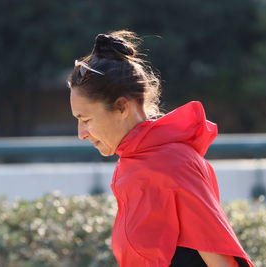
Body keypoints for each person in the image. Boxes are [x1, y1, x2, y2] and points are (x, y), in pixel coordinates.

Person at [67, 30, 254, 267]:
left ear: (122, 107)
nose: (81, 134)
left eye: (86, 119)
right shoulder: (131, 161)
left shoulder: (173, 163)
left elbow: (222, 261)